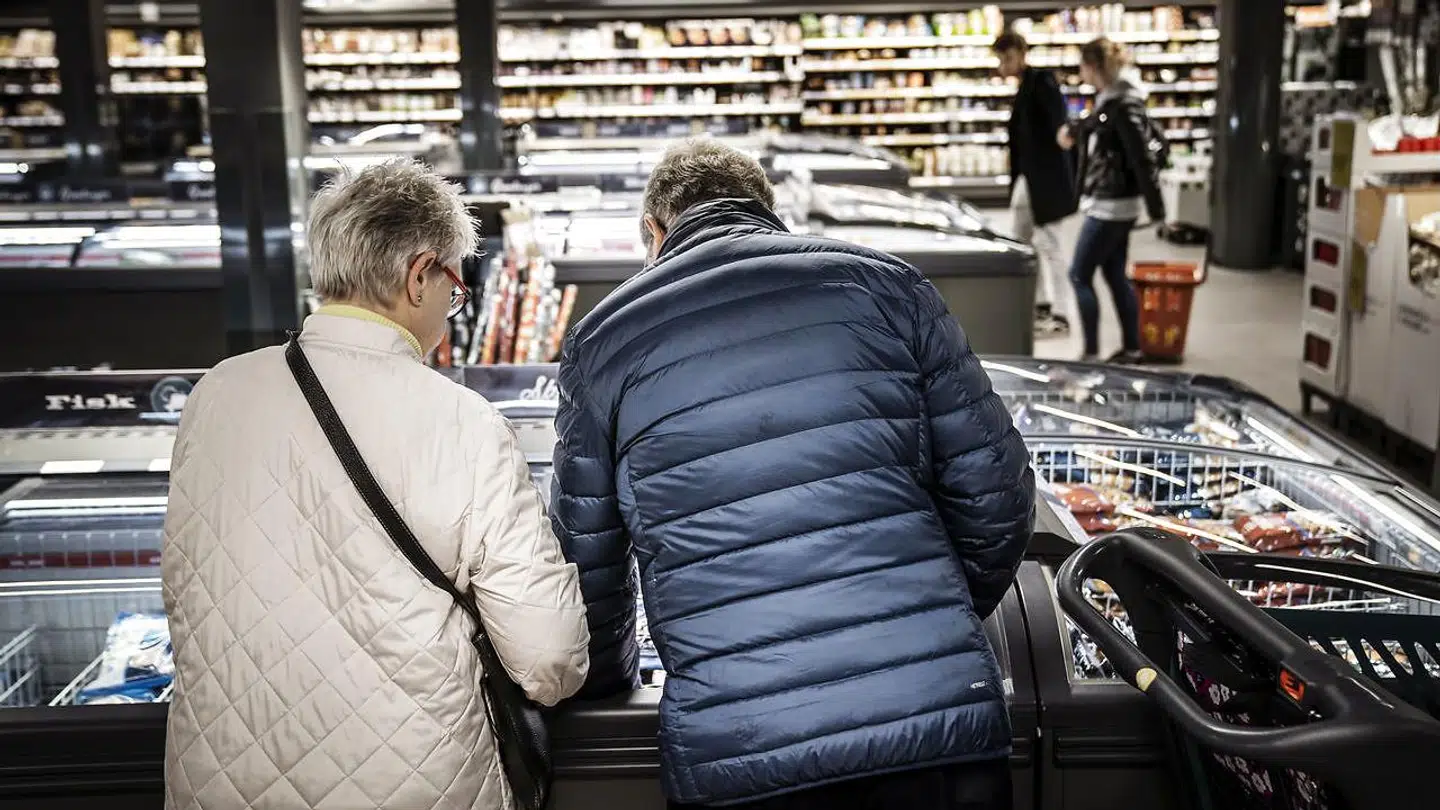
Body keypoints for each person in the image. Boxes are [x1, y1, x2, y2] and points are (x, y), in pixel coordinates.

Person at [550, 139, 1035, 810]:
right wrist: (928, 618)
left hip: (740, 745)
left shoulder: (602, 343)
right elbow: (999, 498)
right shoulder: (889, 285)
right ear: (766, 211)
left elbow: (589, 565)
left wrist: (610, 687)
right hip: (933, 733)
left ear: (652, 232)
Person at [161, 159, 590, 810]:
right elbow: (548, 657)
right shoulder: (463, 422)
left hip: (221, 782)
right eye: (454, 287)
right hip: (414, 785)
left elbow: (184, 590)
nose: (452, 306)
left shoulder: (216, 393)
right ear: (420, 276)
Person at [1057, 37, 1166, 364]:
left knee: (1079, 274)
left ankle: (1091, 353)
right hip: (1114, 203)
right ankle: (1132, 348)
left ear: (1092, 67)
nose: (1080, 72)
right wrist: (1076, 130)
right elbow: (1100, 130)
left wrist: (1158, 210)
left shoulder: (1123, 104)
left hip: (1111, 206)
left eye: (1082, 66)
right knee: (1115, 274)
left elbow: (1141, 158)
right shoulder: (1113, 101)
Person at [994, 30, 1078, 337]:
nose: (1004, 65)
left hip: (1046, 180)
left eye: (1007, 58)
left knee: (1051, 244)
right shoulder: (1025, 86)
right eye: (1001, 59)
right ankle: (1040, 303)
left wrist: (1063, 134)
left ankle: (1062, 314)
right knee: (1022, 242)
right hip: (1028, 180)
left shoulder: (1042, 81)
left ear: (1021, 53)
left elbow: (1058, 124)